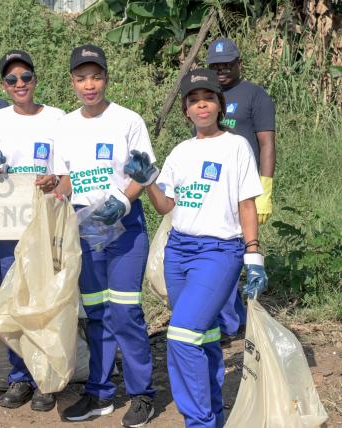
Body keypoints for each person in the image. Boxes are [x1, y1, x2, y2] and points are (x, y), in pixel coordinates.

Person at [128, 68, 267, 427]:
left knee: (181, 336)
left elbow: (247, 204)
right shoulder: (180, 152)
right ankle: (214, 414)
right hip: (178, 252)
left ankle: (199, 422)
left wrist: (253, 253)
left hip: (219, 252)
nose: (201, 106)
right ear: (185, 111)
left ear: (219, 106)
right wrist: (148, 182)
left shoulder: (236, 146)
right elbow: (166, 207)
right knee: (203, 337)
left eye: (208, 99)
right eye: (193, 101)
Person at [53, 44, 155, 427]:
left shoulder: (128, 121)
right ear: (72, 82)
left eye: (96, 77)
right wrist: (54, 187)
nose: (89, 85)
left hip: (125, 228)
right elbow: (65, 178)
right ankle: (99, 393)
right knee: (96, 312)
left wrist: (123, 204)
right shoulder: (65, 125)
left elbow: (142, 173)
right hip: (86, 226)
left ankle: (143, 394)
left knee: (126, 311)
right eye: (81, 78)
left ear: (106, 78)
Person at [0, 49, 64, 412]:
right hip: (6, 222)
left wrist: (55, 179)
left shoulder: (58, 118)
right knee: (13, 301)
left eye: (25, 77)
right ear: (3, 85)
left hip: (45, 219)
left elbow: (65, 170)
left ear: (35, 80)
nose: (20, 84)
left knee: (43, 300)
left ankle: (46, 379)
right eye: (11, 80)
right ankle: (19, 378)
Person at [205, 38, 276, 338]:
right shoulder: (206, 96)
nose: (221, 70)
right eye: (215, 66)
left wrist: (265, 189)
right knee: (216, 248)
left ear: (238, 63)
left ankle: (232, 319)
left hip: (245, 189)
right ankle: (228, 317)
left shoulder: (255, 96)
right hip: (212, 186)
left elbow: (266, 144)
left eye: (227, 64)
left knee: (235, 249)